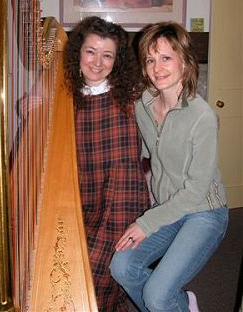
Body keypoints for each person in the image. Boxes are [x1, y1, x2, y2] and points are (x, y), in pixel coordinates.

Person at [109, 21, 228, 312]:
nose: (157, 67)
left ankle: (171, 303)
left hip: (204, 212)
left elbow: (197, 190)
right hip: (168, 208)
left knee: (157, 295)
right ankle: (182, 304)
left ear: (185, 64)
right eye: (150, 59)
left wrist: (145, 222)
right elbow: (149, 150)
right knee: (121, 267)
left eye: (166, 58)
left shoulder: (203, 118)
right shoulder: (144, 104)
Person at [63, 16, 150, 311]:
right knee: (73, 263)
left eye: (107, 55)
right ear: (78, 53)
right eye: (91, 51)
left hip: (122, 198)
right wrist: (33, 103)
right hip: (83, 196)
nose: (97, 62)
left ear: (117, 60)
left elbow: (170, 107)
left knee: (96, 269)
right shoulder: (65, 98)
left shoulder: (133, 95)